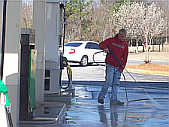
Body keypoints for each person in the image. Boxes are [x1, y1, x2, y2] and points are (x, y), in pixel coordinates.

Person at [98, 28, 128, 105]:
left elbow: (125, 57)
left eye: (124, 37)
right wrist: (105, 48)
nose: (123, 38)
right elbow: (100, 44)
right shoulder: (111, 41)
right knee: (108, 82)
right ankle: (101, 97)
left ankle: (114, 99)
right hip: (110, 65)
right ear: (118, 34)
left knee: (116, 84)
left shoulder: (125, 45)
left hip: (118, 67)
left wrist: (122, 67)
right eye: (122, 36)